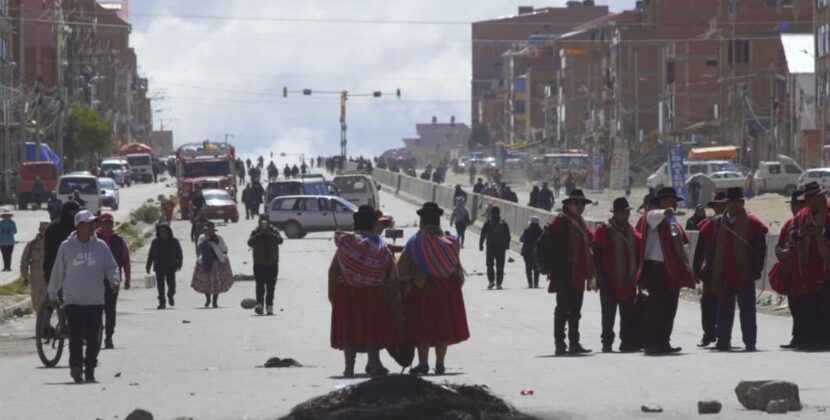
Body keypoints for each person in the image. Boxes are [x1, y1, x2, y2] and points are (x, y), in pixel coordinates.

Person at [47, 210, 120, 383]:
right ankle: (76, 367)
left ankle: (90, 368)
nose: (93, 226)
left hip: (95, 300)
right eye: (89, 223)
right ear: (79, 226)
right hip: (73, 300)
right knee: (76, 337)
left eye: (94, 223)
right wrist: (52, 293)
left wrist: (114, 280)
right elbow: (58, 271)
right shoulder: (67, 247)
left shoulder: (101, 246)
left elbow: (111, 266)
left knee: (94, 338)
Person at [397, 202, 469, 375]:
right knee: (442, 329)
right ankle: (440, 364)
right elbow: (456, 270)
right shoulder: (451, 243)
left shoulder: (416, 242)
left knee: (424, 329)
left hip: (422, 291)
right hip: (446, 292)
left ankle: (423, 364)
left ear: (421, 222)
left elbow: (401, 269)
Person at [329, 206, 400, 377]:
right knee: (371, 329)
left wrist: (333, 294)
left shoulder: (345, 244)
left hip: (346, 293)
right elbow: (390, 272)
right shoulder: (380, 246)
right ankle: (375, 365)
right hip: (373, 294)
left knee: (348, 329)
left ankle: (349, 368)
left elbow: (334, 270)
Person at [698, 187, 767, 352]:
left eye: (737, 202)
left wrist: (756, 270)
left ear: (742, 203)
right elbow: (705, 243)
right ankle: (723, 340)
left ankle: (750, 341)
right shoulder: (717, 223)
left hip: (744, 273)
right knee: (724, 308)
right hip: (723, 273)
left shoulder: (753, 223)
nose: (733, 206)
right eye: (730, 203)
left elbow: (760, 250)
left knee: (748, 310)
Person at [637, 187, 695, 355]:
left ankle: (664, 342)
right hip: (656, 269)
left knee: (670, 308)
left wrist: (687, 265)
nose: (674, 204)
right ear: (662, 202)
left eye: (674, 201)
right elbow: (651, 217)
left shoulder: (673, 223)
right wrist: (664, 212)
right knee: (656, 308)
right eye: (670, 200)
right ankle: (651, 343)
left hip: (672, 270)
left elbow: (682, 246)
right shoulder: (653, 216)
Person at [782, 182, 830, 350]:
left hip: (826, 266)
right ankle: (807, 338)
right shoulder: (802, 215)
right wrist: (801, 233)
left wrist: (821, 232)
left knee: (825, 305)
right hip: (807, 268)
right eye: (807, 199)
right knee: (807, 305)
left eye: (812, 198)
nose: (810, 202)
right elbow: (792, 235)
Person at [547, 190, 595, 355]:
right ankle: (560, 344)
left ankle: (574, 342)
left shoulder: (580, 222)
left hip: (578, 274)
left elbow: (591, 239)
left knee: (575, 310)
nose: (580, 206)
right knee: (562, 309)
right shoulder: (560, 222)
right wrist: (565, 260)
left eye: (582, 204)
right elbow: (552, 245)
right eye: (576, 203)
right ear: (568, 205)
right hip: (564, 273)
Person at [592, 197, 641, 353]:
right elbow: (597, 255)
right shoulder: (603, 230)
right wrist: (601, 276)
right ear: (615, 213)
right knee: (608, 315)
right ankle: (607, 342)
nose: (625, 215)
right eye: (622, 212)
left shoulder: (632, 231)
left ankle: (626, 342)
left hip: (628, 280)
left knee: (627, 314)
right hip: (609, 280)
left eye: (626, 212)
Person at [770, 190, 805, 349]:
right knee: (795, 306)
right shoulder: (789, 224)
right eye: (794, 204)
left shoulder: (811, 223)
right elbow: (778, 247)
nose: (795, 207)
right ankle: (797, 337)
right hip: (791, 274)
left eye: (798, 204)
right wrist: (782, 253)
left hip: (807, 273)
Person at [691, 192, 727, 348]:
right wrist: (696, 270)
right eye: (718, 205)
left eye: (723, 205)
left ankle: (723, 336)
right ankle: (708, 334)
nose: (720, 208)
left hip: (727, 270)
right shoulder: (707, 226)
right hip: (710, 271)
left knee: (724, 305)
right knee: (707, 304)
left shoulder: (735, 225)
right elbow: (699, 250)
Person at [95, 213, 130, 349]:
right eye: (105, 223)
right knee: (96, 309)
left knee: (110, 310)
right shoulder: (95, 238)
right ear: (101, 224)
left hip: (112, 280)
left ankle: (109, 336)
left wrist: (127, 279)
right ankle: (96, 334)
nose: (107, 226)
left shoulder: (118, 240)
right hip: (96, 280)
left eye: (110, 223)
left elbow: (125, 260)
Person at [191, 221, 234, 308]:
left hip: (217, 261)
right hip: (205, 261)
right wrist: (207, 241)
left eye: (210, 230)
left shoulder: (219, 237)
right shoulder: (202, 237)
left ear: (213, 231)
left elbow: (224, 249)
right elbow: (200, 247)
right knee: (206, 281)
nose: (208, 232)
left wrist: (216, 242)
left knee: (216, 282)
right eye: (206, 230)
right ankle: (208, 299)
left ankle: (215, 301)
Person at [247, 214, 283, 315]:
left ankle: (269, 306)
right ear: (258, 223)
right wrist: (260, 234)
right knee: (260, 286)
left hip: (272, 263)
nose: (264, 224)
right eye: (262, 222)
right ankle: (259, 305)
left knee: (271, 286)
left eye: (266, 222)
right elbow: (249, 243)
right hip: (259, 263)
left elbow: (280, 240)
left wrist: (269, 234)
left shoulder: (274, 231)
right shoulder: (255, 232)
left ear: (269, 222)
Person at [146, 222, 183, 310]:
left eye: (164, 231)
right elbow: (151, 255)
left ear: (168, 231)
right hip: (159, 267)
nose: (162, 233)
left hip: (171, 267)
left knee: (172, 285)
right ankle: (162, 302)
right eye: (160, 231)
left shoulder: (174, 241)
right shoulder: (155, 242)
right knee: (160, 286)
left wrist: (179, 263)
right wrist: (148, 266)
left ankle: (170, 295)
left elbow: (179, 254)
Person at [44, 201, 82, 282]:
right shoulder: (55, 227)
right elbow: (49, 248)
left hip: (74, 267)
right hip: (55, 265)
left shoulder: (78, 227)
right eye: (74, 211)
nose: (76, 214)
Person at [479, 206, 511, 290]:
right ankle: (499, 284)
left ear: (491, 213)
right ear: (499, 213)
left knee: (490, 265)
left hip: (490, 247)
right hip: (501, 248)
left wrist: (481, 245)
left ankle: (491, 281)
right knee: (500, 266)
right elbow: (508, 236)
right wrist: (507, 246)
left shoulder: (488, 223)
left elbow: (482, 234)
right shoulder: (503, 223)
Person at [20, 222, 49, 311]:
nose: (45, 232)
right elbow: (24, 261)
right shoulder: (32, 244)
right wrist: (24, 277)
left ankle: (45, 322)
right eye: (43, 230)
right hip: (36, 278)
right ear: (40, 230)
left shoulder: (53, 243)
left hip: (49, 278)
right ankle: (40, 321)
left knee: (49, 303)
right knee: (37, 302)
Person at [520, 217, 542, 289]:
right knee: (536, 268)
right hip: (537, 251)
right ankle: (536, 283)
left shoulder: (527, 230)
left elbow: (521, 239)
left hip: (527, 251)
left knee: (528, 267)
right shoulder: (541, 231)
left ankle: (530, 283)